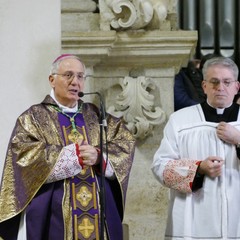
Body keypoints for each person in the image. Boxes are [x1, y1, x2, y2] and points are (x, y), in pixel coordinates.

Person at [0, 54, 136, 240]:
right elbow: (24, 158)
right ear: (52, 80)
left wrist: (99, 156)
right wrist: (73, 156)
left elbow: (125, 143)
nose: (75, 82)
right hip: (53, 214)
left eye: (80, 76)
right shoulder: (33, 117)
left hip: (98, 212)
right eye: (68, 75)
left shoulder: (96, 115)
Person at [152, 57, 240, 239]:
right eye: (214, 82)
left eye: (227, 82)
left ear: (236, 87)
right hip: (193, 225)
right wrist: (198, 168)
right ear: (204, 86)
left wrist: (239, 139)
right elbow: (160, 167)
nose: (220, 87)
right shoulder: (180, 121)